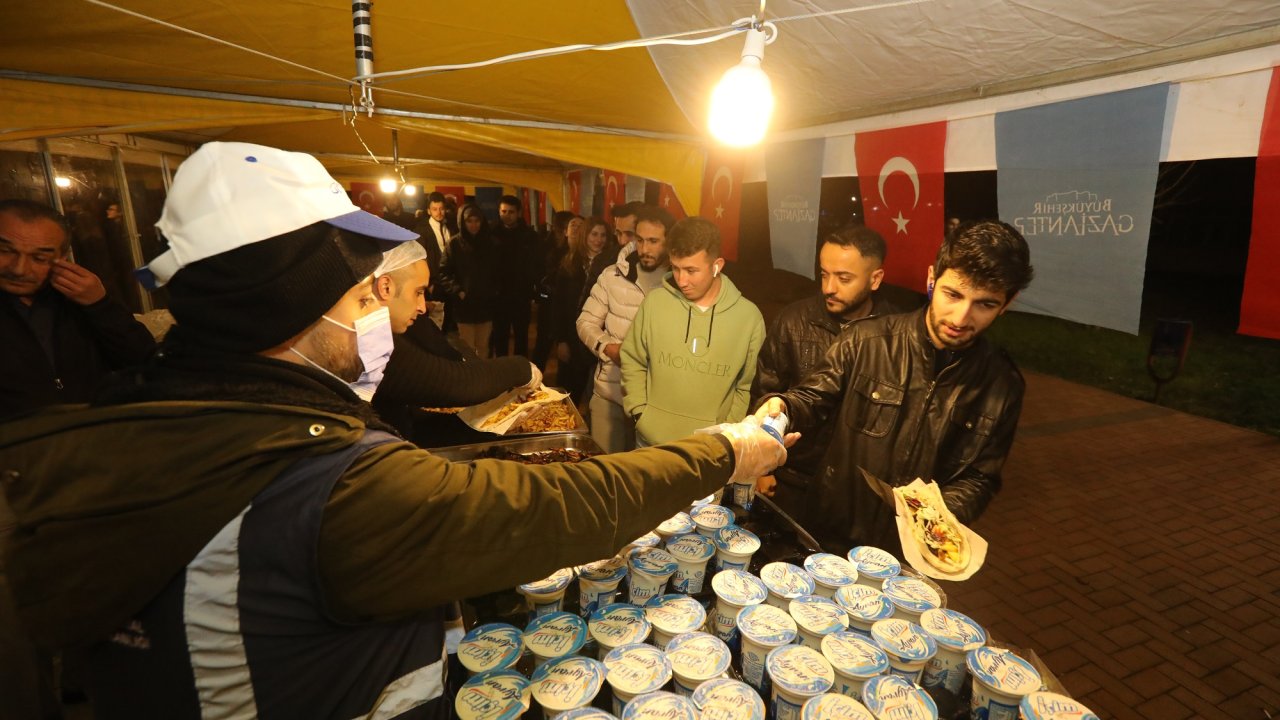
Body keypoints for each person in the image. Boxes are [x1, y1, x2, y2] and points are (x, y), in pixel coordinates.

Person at [0, 142, 790, 719]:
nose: (375, 314)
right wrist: (725, 450)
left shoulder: (167, 405)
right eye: (358, 297)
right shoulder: (316, 480)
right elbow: (561, 507)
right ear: (291, 304)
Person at [755, 220, 1034, 554]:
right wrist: (781, 407)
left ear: (1008, 303)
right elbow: (811, 397)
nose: (961, 317)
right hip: (825, 535)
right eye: (952, 294)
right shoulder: (865, 340)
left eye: (985, 304)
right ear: (932, 278)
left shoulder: (1002, 385)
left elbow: (980, 476)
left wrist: (935, 520)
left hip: (909, 555)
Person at [751, 224, 906, 514]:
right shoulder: (793, 320)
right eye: (824, 274)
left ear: (875, 279)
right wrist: (762, 466)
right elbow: (765, 392)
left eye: (844, 278)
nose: (828, 287)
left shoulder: (897, 335)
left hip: (860, 492)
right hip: (790, 479)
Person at [368, 239, 539, 446]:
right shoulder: (366, 341)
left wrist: (492, 429)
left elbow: (408, 423)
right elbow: (452, 381)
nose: (422, 307)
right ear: (385, 287)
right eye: (418, 292)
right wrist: (521, 368)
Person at [0, 198, 155, 419]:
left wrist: (100, 305)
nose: (19, 269)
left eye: (39, 257)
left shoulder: (76, 299)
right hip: (19, 446)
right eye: (5, 251)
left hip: (92, 435)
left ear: (62, 259)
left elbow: (143, 360)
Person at [621, 216, 765, 447]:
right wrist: (640, 412)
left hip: (710, 454)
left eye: (691, 270)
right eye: (676, 268)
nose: (682, 280)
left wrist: (725, 435)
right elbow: (633, 359)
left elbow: (747, 386)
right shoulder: (655, 303)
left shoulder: (749, 318)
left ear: (717, 265)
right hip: (650, 445)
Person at [576, 205, 674, 453]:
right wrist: (608, 347)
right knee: (606, 474)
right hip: (610, 393)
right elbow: (585, 321)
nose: (645, 248)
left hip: (657, 402)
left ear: (669, 241)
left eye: (653, 241)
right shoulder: (613, 275)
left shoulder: (680, 283)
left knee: (645, 478)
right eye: (640, 240)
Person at [551, 216, 610, 403]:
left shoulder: (611, 266)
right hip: (570, 334)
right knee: (567, 392)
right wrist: (560, 340)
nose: (598, 239)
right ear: (585, 235)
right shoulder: (569, 262)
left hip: (596, 335)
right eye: (594, 234)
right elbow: (559, 305)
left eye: (603, 235)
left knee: (594, 393)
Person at [440, 203, 499, 357]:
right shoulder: (454, 244)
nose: (473, 225)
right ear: (463, 222)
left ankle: (484, 377)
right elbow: (444, 271)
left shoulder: (490, 243)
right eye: (469, 221)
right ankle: (470, 378)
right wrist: (458, 291)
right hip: (464, 304)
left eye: (477, 221)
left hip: (485, 303)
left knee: (484, 346)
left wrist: (493, 291)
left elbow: (498, 272)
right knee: (467, 347)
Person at [490, 194, 538, 357]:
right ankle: (502, 372)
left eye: (511, 212)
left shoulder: (529, 236)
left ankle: (520, 373)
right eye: (503, 211)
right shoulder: (491, 234)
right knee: (499, 336)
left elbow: (535, 264)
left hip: (521, 294)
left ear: (518, 213)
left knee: (521, 336)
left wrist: (532, 289)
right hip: (498, 295)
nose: (507, 215)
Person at [532, 212, 578, 370]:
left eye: (581, 226)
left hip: (569, 313)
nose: (577, 230)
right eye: (573, 226)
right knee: (543, 346)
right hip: (550, 306)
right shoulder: (551, 251)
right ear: (564, 230)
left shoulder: (585, 257)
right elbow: (540, 275)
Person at [412, 191, 456, 330]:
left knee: (450, 322)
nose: (439, 212)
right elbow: (419, 258)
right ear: (428, 211)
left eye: (441, 209)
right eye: (435, 209)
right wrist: (429, 284)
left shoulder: (451, 227)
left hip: (450, 281)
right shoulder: (422, 230)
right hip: (434, 284)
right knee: (436, 324)